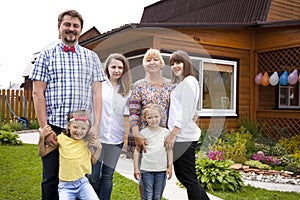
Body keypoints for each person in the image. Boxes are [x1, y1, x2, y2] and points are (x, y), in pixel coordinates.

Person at [30, 9, 105, 200]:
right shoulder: (46, 55)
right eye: (67, 25)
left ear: (80, 30)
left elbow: (97, 94)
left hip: (81, 128)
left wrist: (95, 126)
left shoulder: (92, 58)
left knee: (82, 177)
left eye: (75, 26)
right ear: (59, 27)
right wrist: (44, 128)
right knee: (50, 178)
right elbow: (38, 93)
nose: (71, 29)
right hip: (54, 127)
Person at [129, 48, 174, 199]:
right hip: (145, 137)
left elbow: (178, 108)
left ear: (161, 64)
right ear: (144, 65)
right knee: (145, 177)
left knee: (159, 177)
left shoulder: (170, 85)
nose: (152, 62)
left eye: (155, 59)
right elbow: (134, 111)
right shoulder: (138, 86)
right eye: (148, 60)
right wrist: (136, 134)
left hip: (163, 137)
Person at [164, 50, 210, 200]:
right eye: (172, 63)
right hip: (181, 136)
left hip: (184, 137)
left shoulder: (189, 81)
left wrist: (172, 135)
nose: (175, 66)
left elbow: (184, 112)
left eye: (178, 62)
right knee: (186, 178)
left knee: (188, 179)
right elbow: (188, 108)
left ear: (186, 63)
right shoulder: (185, 82)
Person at [89, 53, 132, 199]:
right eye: (113, 66)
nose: (117, 70)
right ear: (107, 67)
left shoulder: (126, 90)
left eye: (120, 67)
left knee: (107, 176)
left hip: (116, 139)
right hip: (97, 138)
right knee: (93, 176)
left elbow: (134, 110)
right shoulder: (99, 85)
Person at [38, 110, 101, 200]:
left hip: (83, 184)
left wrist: (99, 148)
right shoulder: (61, 139)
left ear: (87, 130)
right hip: (65, 187)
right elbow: (42, 153)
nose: (79, 131)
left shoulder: (86, 142)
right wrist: (41, 138)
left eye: (83, 129)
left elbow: (93, 161)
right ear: (69, 126)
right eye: (75, 127)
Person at [133, 103, 173, 200]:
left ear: (161, 116)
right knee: (148, 195)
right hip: (146, 170)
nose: (153, 120)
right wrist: (136, 168)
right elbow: (137, 151)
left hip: (161, 170)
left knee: (157, 196)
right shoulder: (143, 133)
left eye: (156, 116)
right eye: (150, 117)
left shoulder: (166, 132)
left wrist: (170, 167)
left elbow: (169, 150)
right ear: (145, 119)